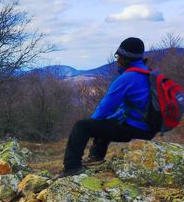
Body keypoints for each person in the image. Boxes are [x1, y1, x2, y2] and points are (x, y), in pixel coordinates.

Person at [58, 37, 157, 178]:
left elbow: (103, 111)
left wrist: (92, 126)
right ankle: (96, 157)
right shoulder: (148, 73)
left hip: (137, 130)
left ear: (123, 58)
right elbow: (129, 109)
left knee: (81, 126)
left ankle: (71, 168)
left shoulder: (127, 78)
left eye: (118, 56)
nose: (116, 60)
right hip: (149, 129)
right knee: (110, 120)